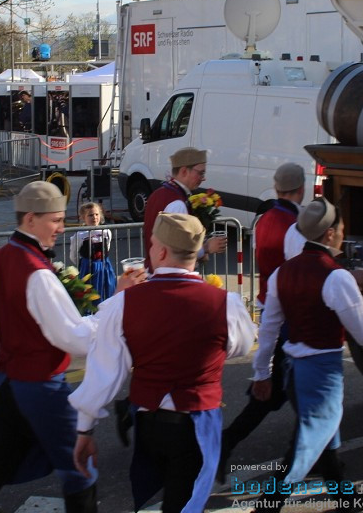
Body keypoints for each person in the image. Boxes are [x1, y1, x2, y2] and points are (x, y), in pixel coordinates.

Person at [0, 181, 144, 513]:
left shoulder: (0, 258)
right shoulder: (37, 273)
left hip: (10, 383)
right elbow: (75, 338)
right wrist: (119, 298)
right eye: (55, 220)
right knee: (80, 468)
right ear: (30, 220)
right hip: (40, 384)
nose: (61, 227)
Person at [70, 213, 256, 513]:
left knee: (169, 496)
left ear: (162, 252)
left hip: (150, 423)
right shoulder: (227, 304)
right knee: (184, 501)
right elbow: (240, 346)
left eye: (152, 244)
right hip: (198, 421)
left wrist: (84, 429)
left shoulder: (124, 303)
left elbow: (105, 373)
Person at [250, 198, 363, 512]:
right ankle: (267, 506)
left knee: (324, 441)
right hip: (322, 373)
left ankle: (345, 498)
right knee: (306, 446)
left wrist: (262, 372)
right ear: (330, 234)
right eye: (342, 227)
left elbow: (269, 329)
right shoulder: (337, 277)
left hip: (295, 370)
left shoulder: (282, 273)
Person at [218, 162, 305, 480]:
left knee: (275, 394)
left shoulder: (265, 219)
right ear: (302, 189)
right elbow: (300, 273)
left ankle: (228, 442)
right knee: (303, 397)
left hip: (269, 304)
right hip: (288, 316)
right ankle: (299, 466)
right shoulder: (294, 227)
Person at [142, 147, 227, 274]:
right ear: (184, 171)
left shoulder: (160, 193)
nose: (203, 178)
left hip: (155, 271)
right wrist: (206, 247)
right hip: (169, 277)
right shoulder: (177, 204)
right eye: (200, 173)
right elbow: (178, 250)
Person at [69, 202, 115, 302]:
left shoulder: (106, 231)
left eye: (96, 214)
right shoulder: (79, 235)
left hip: (104, 266)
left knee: (107, 290)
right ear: (83, 218)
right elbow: (73, 255)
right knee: (89, 294)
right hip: (88, 268)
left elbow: (107, 247)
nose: (94, 217)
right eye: (90, 215)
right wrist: (83, 263)